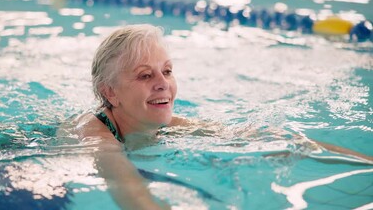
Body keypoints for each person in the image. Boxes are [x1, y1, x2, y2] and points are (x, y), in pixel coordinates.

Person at [71, 24, 373, 209]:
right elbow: (129, 191)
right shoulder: (96, 137)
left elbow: (270, 140)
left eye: (167, 71)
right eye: (145, 75)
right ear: (110, 93)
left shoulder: (167, 123)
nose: (163, 83)